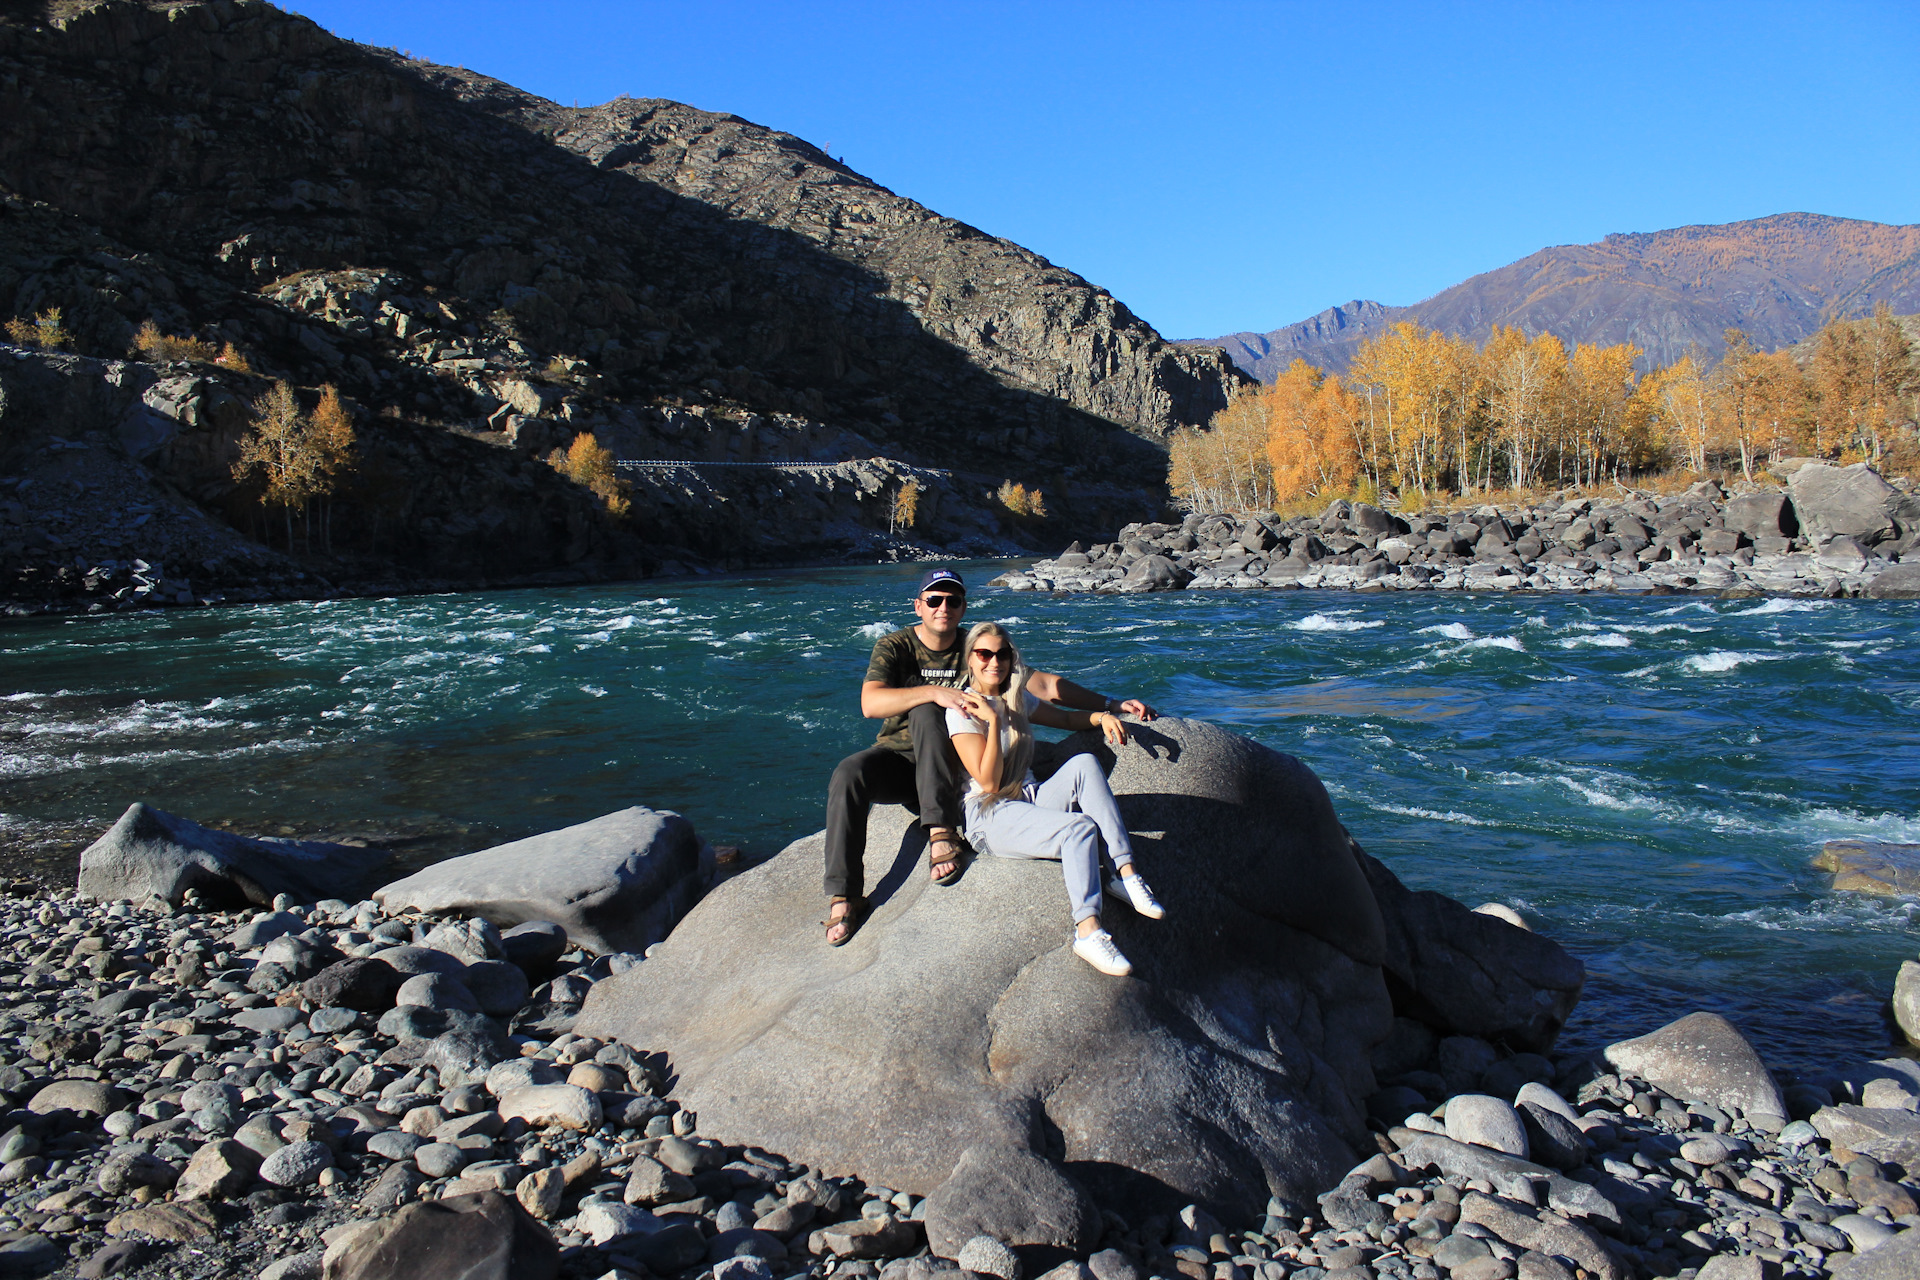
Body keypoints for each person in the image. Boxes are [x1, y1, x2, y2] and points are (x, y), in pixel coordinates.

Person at [823, 569, 1157, 946]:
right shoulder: (895, 645)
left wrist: (1109, 704)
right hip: (903, 761)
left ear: (964, 607)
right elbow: (871, 703)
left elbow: (1042, 686)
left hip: (955, 768)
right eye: (934, 599)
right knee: (850, 772)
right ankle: (844, 896)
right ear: (919, 606)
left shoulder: (978, 648)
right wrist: (933, 691)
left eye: (953, 600)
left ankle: (941, 832)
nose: (943, 607)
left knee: (932, 712)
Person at [946, 621, 1164, 976]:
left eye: (1002, 654)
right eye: (984, 654)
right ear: (970, 660)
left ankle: (1124, 872)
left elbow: (1063, 717)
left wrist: (1104, 715)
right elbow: (987, 782)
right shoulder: (962, 711)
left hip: (1029, 798)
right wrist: (992, 719)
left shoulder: (1015, 698)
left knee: (1084, 764)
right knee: (1078, 829)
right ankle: (1088, 932)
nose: (993, 662)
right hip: (990, 813)